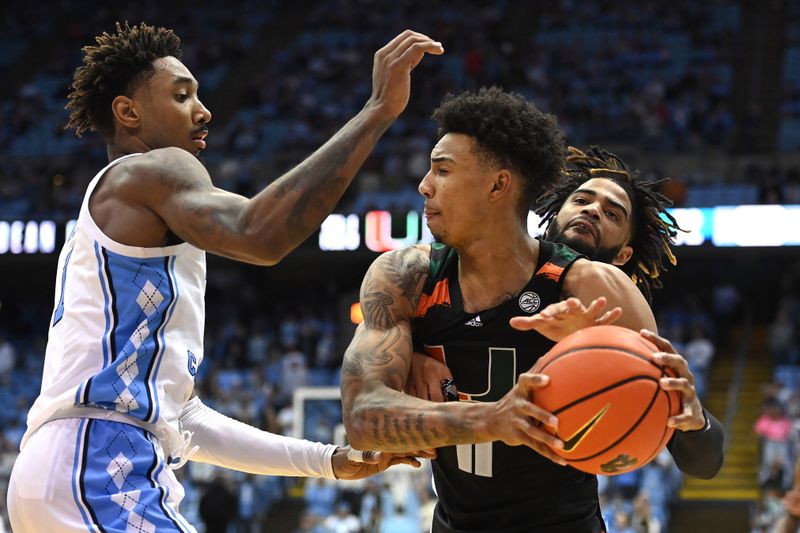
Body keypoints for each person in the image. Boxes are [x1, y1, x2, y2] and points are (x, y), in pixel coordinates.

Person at [7, 22, 443, 533]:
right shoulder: (154, 169)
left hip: (70, 465)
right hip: (99, 465)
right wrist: (377, 112)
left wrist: (329, 460)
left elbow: (186, 422)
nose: (204, 109)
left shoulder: (127, 229)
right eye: (181, 94)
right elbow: (260, 233)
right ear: (129, 113)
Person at [340, 90, 723, 532]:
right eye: (581, 200)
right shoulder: (407, 276)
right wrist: (423, 375)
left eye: (442, 170)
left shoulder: (600, 293)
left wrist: (614, 359)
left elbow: (699, 457)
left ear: (499, 186)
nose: (424, 184)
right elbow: (362, 418)